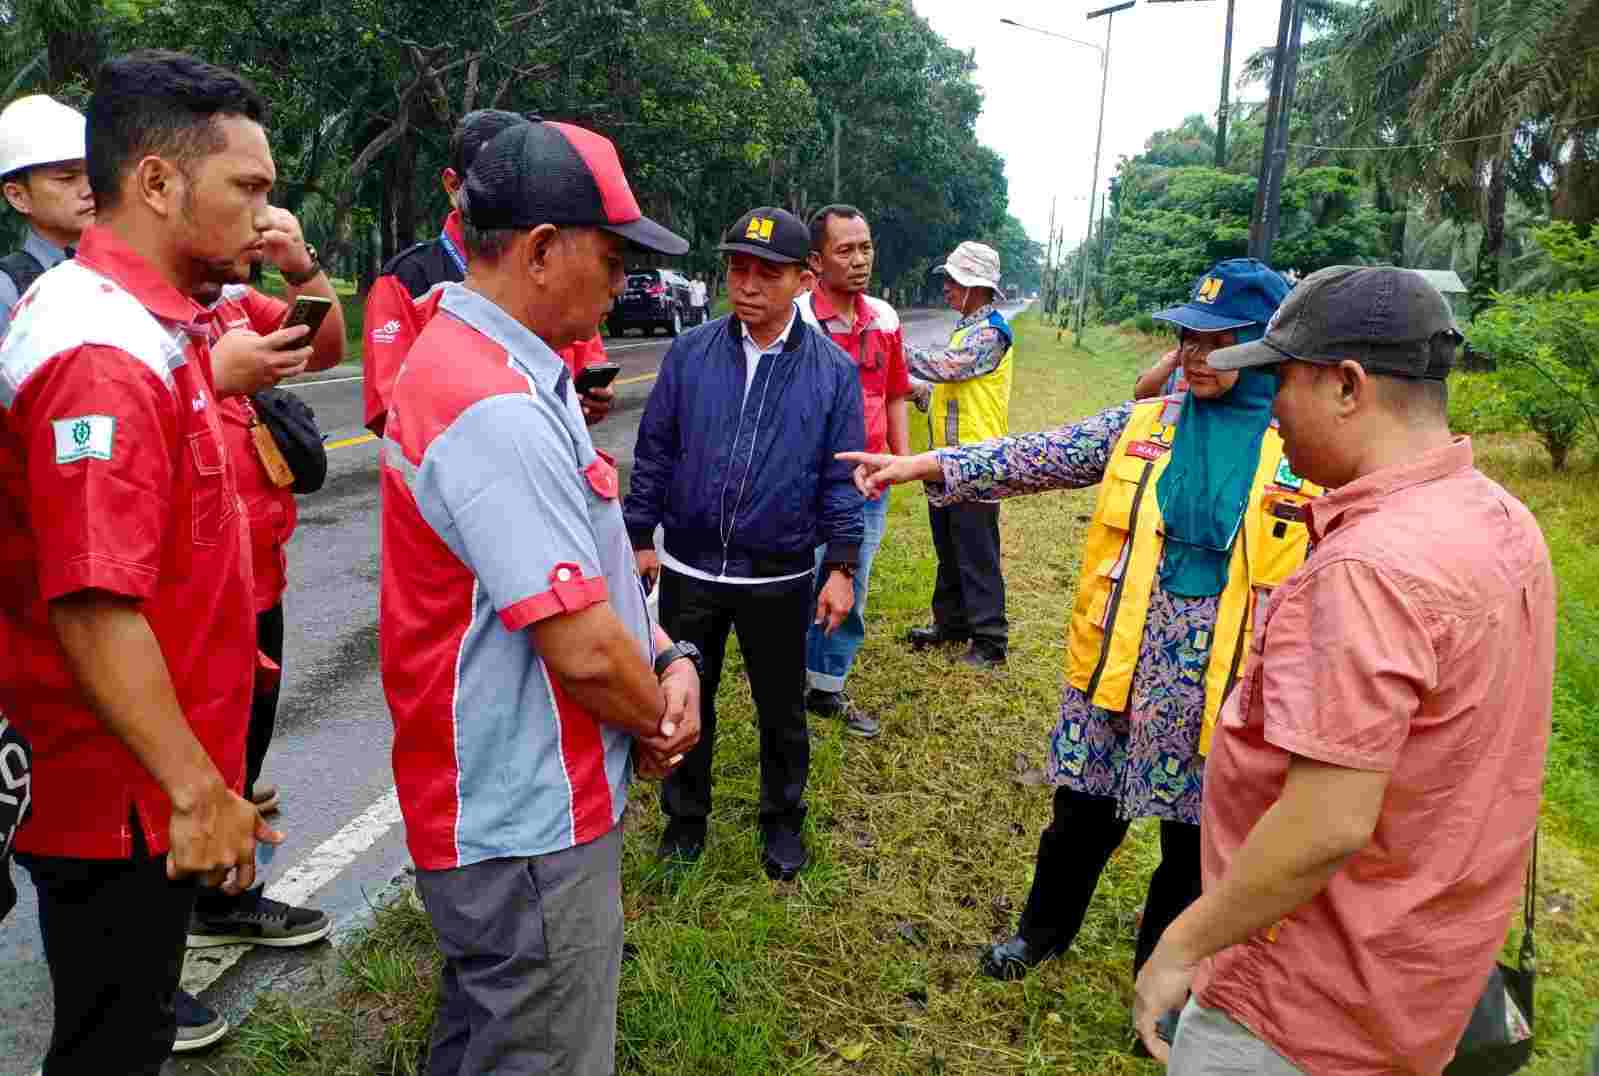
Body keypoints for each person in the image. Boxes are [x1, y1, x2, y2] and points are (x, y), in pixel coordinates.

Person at [840, 260, 1324, 1032]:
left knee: (1193, 849)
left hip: (1227, 696)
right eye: (1185, 338)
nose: (1194, 355)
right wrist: (921, 464)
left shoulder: (1309, 453)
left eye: (1216, 341)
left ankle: (1163, 986)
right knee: (1078, 817)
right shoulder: (1148, 424)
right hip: (1118, 671)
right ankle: (1040, 933)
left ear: (1267, 350)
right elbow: (1036, 454)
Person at [1132, 266, 1555, 1075]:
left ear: (1346, 385)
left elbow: (1325, 821)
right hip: (1419, 976)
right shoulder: (1504, 521)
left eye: (1281, 382)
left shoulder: (1365, 569)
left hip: (1300, 1001)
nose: (1273, 414)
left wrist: (1181, 946)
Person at [379, 118, 700, 1075]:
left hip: (521, 803)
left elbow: (592, 564)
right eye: (612, 257)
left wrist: (668, 651)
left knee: (489, 1033)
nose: (621, 283)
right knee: (540, 1047)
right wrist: (661, 720)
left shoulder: (512, 368)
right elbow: (584, 650)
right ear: (542, 250)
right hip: (525, 815)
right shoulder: (493, 404)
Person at [0, 49, 284, 1071]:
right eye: (245, 187)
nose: (263, 216)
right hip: (118, 793)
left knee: (130, 1028)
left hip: (149, 775)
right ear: (158, 182)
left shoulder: (151, 326)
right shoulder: (100, 354)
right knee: (112, 1044)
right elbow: (91, 603)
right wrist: (196, 792)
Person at [624, 206, 864, 880]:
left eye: (767, 272)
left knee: (781, 710)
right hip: (690, 568)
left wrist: (841, 565)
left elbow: (841, 476)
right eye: (738, 268)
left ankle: (782, 823)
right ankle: (684, 822)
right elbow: (656, 450)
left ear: (801, 279)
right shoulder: (691, 352)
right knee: (681, 697)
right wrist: (640, 535)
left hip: (779, 576)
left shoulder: (831, 373)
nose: (748, 283)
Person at [361, 110, 612, 436]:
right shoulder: (405, 280)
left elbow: (589, 362)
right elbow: (391, 409)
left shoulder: (554, 262)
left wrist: (590, 398)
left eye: (524, 182)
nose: (515, 197)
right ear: (453, 184)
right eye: (495, 181)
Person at [795, 204, 911, 738]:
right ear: (817, 261)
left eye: (865, 247)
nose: (860, 260)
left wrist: (901, 465)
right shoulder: (795, 320)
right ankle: (783, 677)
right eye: (846, 250)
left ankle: (826, 686)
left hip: (866, 484)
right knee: (795, 580)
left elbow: (893, 397)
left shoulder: (884, 319)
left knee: (849, 584)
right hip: (801, 483)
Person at [903, 241, 1013, 668]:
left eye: (953, 280)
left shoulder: (991, 332)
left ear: (975, 286)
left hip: (978, 461)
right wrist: (918, 392)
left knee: (976, 552)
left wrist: (890, 348)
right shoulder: (968, 327)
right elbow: (952, 387)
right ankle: (950, 624)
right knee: (949, 547)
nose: (946, 287)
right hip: (947, 461)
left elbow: (949, 367)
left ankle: (990, 640)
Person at [0, 95, 94, 335]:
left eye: (92, 173)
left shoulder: (128, 263)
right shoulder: (8, 291)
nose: (89, 190)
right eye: (67, 178)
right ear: (18, 197)